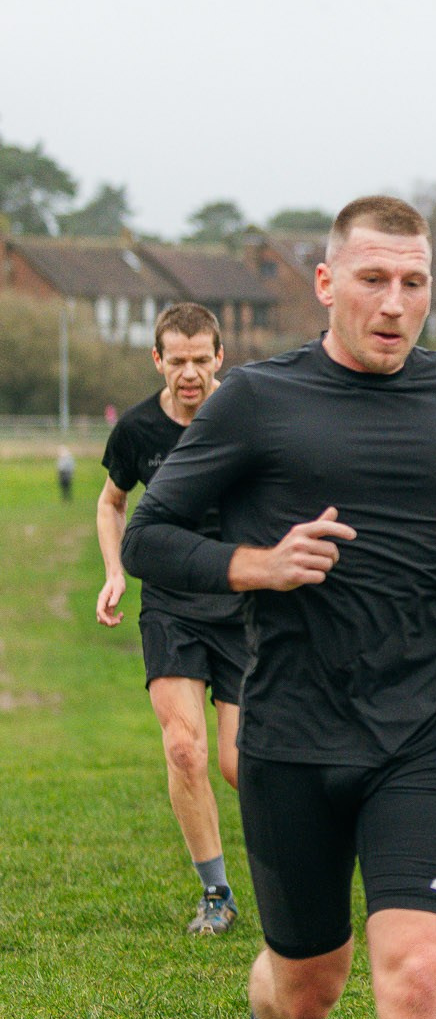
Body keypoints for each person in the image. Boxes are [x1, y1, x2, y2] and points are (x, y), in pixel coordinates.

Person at [122, 196, 436, 1019]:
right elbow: (150, 536)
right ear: (326, 283)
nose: (396, 303)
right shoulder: (257, 398)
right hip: (294, 731)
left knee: (419, 974)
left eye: (415, 282)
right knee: (313, 982)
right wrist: (258, 564)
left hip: (423, 729)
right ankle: (268, 1018)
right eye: (375, 279)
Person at [94, 302, 250, 935]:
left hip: (242, 603)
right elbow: (111, 504)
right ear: (157, 359)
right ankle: (216, 893)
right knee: (183, 748)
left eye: (200, 359)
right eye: (176, 360)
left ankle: (301, 869)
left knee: (242, 766)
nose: (189, 372)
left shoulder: (245, 418)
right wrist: (113, 570)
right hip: (170, 604)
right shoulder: (135, 431)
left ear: (220, 357)